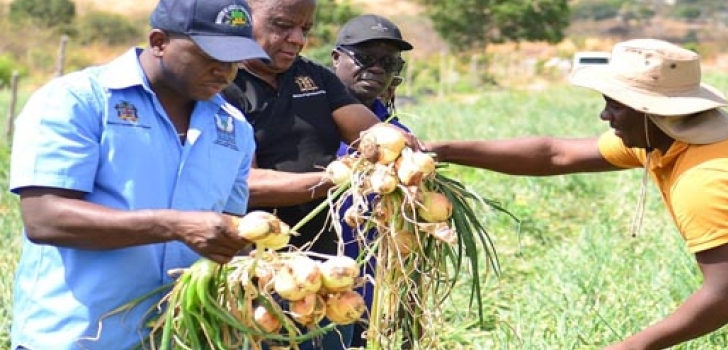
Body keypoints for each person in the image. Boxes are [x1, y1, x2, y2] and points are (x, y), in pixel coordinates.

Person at [426, 39, 728, 350]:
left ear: (652, 112)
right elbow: (555, 154)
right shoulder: (666, 139)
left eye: (616, 104)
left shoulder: (707, 179)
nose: (604, 114)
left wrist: (630, 346)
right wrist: (443, 150)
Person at [7, 0, 268, 349]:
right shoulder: (79, 100)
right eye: (212, 55)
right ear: (159, 42)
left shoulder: (233, 128)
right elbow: (45, 218)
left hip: (181, 337)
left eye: (235, 60)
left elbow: (226, 230)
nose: (225, 71)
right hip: (79, 338)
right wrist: (175, 225)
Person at [221, 1, 419, 349]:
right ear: (245, 19)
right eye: (283, 25)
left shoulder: (314, 77)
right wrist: (336, 179)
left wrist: (406, 152)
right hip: (259, 272)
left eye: (305, 29)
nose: (297, 38)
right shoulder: (222, 84)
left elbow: (373, 137)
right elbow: (244, 186)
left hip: (327, 271)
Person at [330, 14, 414, 348]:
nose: (377, 69)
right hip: (315, 275)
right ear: (336, 58)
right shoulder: (308, 119)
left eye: (389, 62)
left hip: (369, 284)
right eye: (365, 58)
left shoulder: (398, 133)